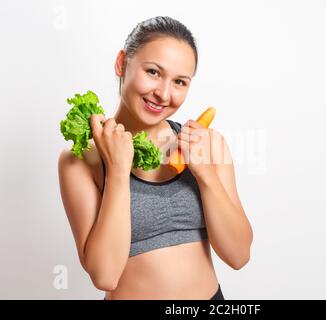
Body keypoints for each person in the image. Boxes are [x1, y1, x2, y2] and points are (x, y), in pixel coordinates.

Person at [58, 16, 253, 300]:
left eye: (180, 82)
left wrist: (206, 175)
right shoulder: (81, 158)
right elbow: (105, 274)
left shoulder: (208, 144)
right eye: (152, 72)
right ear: (121, 63)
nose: (163, 93)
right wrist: (117, 171)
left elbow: (239, 255)